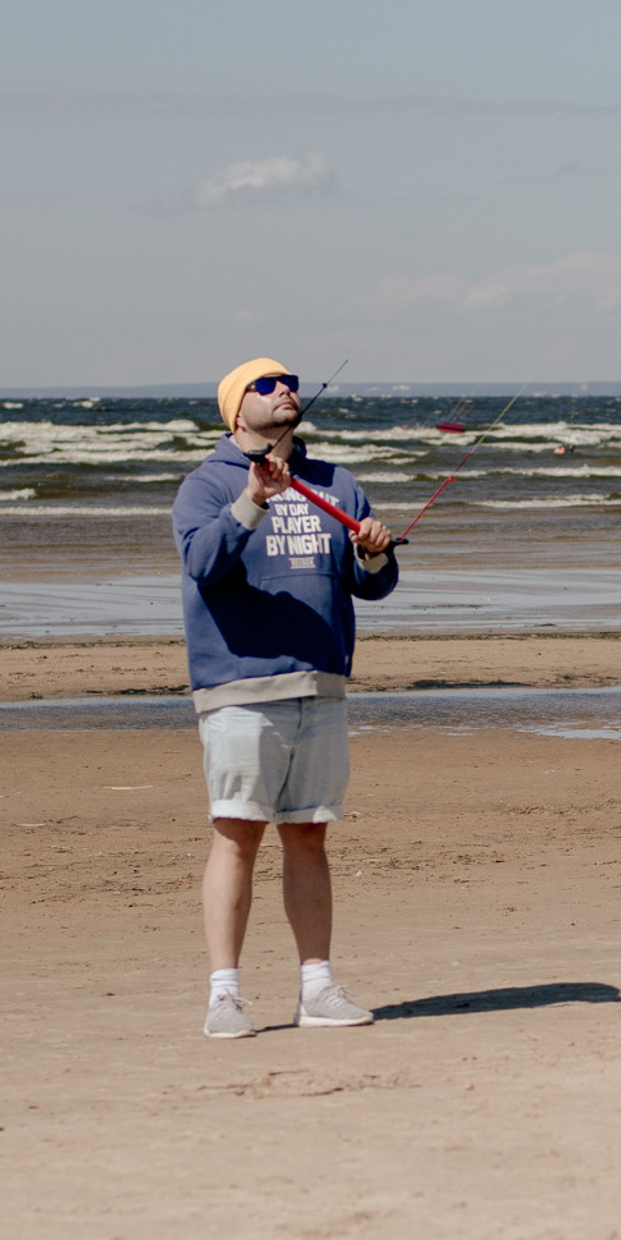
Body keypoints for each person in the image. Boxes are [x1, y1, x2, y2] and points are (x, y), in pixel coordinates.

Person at [171, 358, 401, 1039]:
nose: (286, 391)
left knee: (309, 834)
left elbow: (369, 585)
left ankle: (318, 988)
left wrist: (376, 556)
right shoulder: (206, 484)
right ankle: (224, 997)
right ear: (236, 407)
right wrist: (254, 498)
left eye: (290, 382)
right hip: (240, 684)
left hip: (321, 683)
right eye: (268, 385)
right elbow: (204, 562)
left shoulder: (337, 482)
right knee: (236, 833)